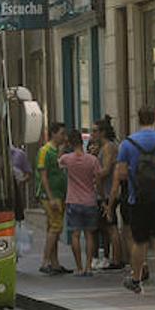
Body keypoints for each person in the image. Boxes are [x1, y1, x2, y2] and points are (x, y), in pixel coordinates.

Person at [112, 106, 155, 296]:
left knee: (139, 241)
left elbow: (121, 173)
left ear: (138, 119)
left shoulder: (127, 143)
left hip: (137, 197)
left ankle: (136, 279)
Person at [59, 128, 101, 276]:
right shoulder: (92, 160)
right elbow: (98, 178)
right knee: (90, 235)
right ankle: (89, 266)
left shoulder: (67, 159)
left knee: (75, 235)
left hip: (73, 200)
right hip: (89, 200)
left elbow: (59, 163)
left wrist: (64, 148)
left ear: (70, 142)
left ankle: (79, 267)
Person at [37, 122, 70, 274]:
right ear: (53, 133)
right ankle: (45, 261)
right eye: (62, 133)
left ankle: (55, 263)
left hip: (59, 194)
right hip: (51, 195)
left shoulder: (57, 151)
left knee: (54, 228)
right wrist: (50, 197)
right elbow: (43, 176)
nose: (64, 136)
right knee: (55, 227)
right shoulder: (45, 151)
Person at [93, 118, 125, 271]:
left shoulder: (108, 147)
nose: (92, 134)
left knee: (110, 225)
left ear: (102, 133)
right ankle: (115, 257)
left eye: (95, 131)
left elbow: (105, 170)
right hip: (105, 191)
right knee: (107, 226)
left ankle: (117, 259)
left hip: (107, 193)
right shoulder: (105, 147)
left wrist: (94, 173)